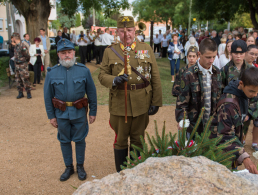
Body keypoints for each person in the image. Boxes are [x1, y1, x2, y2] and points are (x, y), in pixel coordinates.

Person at [98, 16, 162, 172]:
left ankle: (135, 174)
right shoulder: (110, 51)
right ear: (117, 32)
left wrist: (156, 101)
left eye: (129, 30)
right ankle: (121, 176)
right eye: (122, 31)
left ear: (135, 31)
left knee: (138, 140)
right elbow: (102, 75)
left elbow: (155, 76)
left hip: (142, 102)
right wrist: (114, 80)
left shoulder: (146, 49)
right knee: (120, 140)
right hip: (120, 103)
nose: (126, 34)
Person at [44, 38, 97, 181]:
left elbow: (91, 93)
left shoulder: (84, 71)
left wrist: (93, 112)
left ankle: (80, 166)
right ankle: (69, 167)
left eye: (69, 52)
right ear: (58, 55)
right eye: (63, 53)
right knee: (64, 140)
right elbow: (47, 96)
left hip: (79, 112)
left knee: (80, 140)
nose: (66, 55)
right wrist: (51, 116)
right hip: (61, 113)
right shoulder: (52, 73)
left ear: (74, 52)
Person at [210, 68, 258, 174]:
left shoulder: (242, 93)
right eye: (252, 91)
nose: (254, 95)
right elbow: (225, 135)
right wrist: (245, 157)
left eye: (257, 92)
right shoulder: (228, 106)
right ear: (241, 83)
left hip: (230, 151)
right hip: (220, 154)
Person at [175, 38, 221, 137]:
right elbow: (182, 102)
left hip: (213, 126)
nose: (211, 60)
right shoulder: (188, 74)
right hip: (194, 127)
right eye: (208, 57)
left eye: (214, 57)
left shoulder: (218, 73)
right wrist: (182, 119)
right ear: (199, 54)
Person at [13, 33, 32, 99]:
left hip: (22, 65)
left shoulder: (22, 46)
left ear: (15, 39)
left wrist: (25, 62)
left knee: (25, 79)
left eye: (13, 39)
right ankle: (20, 93)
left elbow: (27, 55)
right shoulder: (16, 46)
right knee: (18, 79)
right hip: (17, 65)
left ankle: (28, 93)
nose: (12, 40)